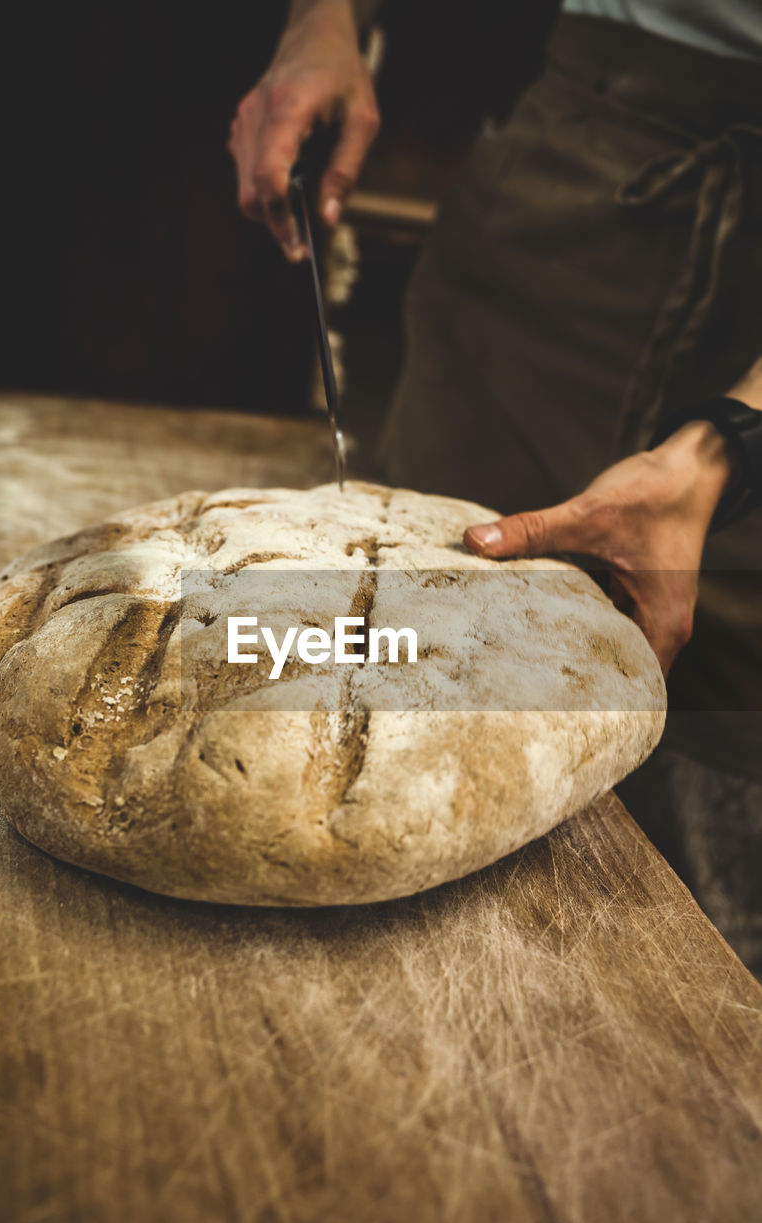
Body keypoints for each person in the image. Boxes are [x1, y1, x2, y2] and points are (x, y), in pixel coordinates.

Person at [228, 0, 762, 974]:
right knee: (397, 663)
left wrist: (725, 448)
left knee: (710, 838)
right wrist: (327, 16)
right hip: (575, 170)